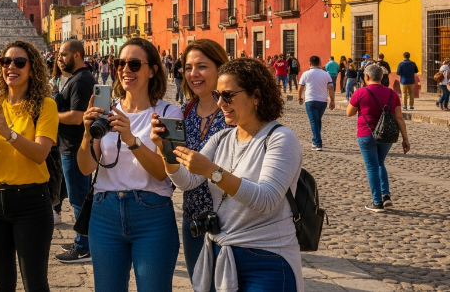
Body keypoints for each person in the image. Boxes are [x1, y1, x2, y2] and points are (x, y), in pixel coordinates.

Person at [163, 57, 303, 292]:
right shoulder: (222, 138)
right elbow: (189, 182)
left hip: (267, 258)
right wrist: (166, 151)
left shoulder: (280, 138)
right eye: (218, 95)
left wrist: (212, 171)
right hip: (223, 252)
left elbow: (266, 200)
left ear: (255, 95)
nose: (220, 103)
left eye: (228, 95)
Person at [78, 38, 181, 292]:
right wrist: (87, 132)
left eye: (134, 64)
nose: (125, 69)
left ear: (152, 70)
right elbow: (85, 168)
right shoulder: (106, 112)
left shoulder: (169, 114)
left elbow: (163, 173)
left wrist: (131, 140)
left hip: (152, 214)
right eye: (120, 63)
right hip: (105, 213)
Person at [0, 40, 58, 292]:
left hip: (31, 201)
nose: (11, 67)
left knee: (35, 284)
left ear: (32, 68)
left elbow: (40, 153)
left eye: (19, 62)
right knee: (1, 284)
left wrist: (8, 134)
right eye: (6, 62)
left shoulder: (45, 105)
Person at [154, 39, 231, 283]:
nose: (193, 74)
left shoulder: (232, 111)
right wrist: (163, 147)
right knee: (199, 285)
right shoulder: (186, 109)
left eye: (202, 66)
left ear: (220, 68)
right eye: (188, 68)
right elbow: (176, 165)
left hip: (229, 222)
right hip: (194, 219)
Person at [53, 39, 96, 263]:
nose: (59, 58)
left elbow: (77, 116)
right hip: (71, 146)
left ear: (77, 55)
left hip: (75, 148)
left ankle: (84, 247)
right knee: (79, 196)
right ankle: (84, 241)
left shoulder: (80, 81)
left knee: (78, 199)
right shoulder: (76, 78)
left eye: (63, 54)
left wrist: (50, 115)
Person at [347, 64, 411, 212]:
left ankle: (377, 202)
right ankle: (385, 195)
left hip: (366, 134)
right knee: (380, 163)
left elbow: (349, 113)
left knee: (372, 167)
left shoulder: (361, 92)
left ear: (366, 77)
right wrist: (405, 139)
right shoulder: (392, 94)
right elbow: (399, 118)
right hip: (386, 136)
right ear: (382, 77)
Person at [49, 57, 70, 225]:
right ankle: (54, 208)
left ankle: (57, 209)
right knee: (54, 172)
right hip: (52, 132)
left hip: (66, 134)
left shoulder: (73, 81)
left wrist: (56, 94)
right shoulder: (52, 81)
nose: (61, 62)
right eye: (59, 60)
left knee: (61, 174)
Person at [298, 56, 335, 151]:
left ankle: (317, 143)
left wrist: (299, 98)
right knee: (317, 121)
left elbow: (300, 87)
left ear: (310, 64)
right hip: (323, 101)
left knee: (314, 121)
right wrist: (332, 101)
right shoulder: (326, 74)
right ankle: (316, 139)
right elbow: (331, 88)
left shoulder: (305, 74)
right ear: (320, 63)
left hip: (310, 101)